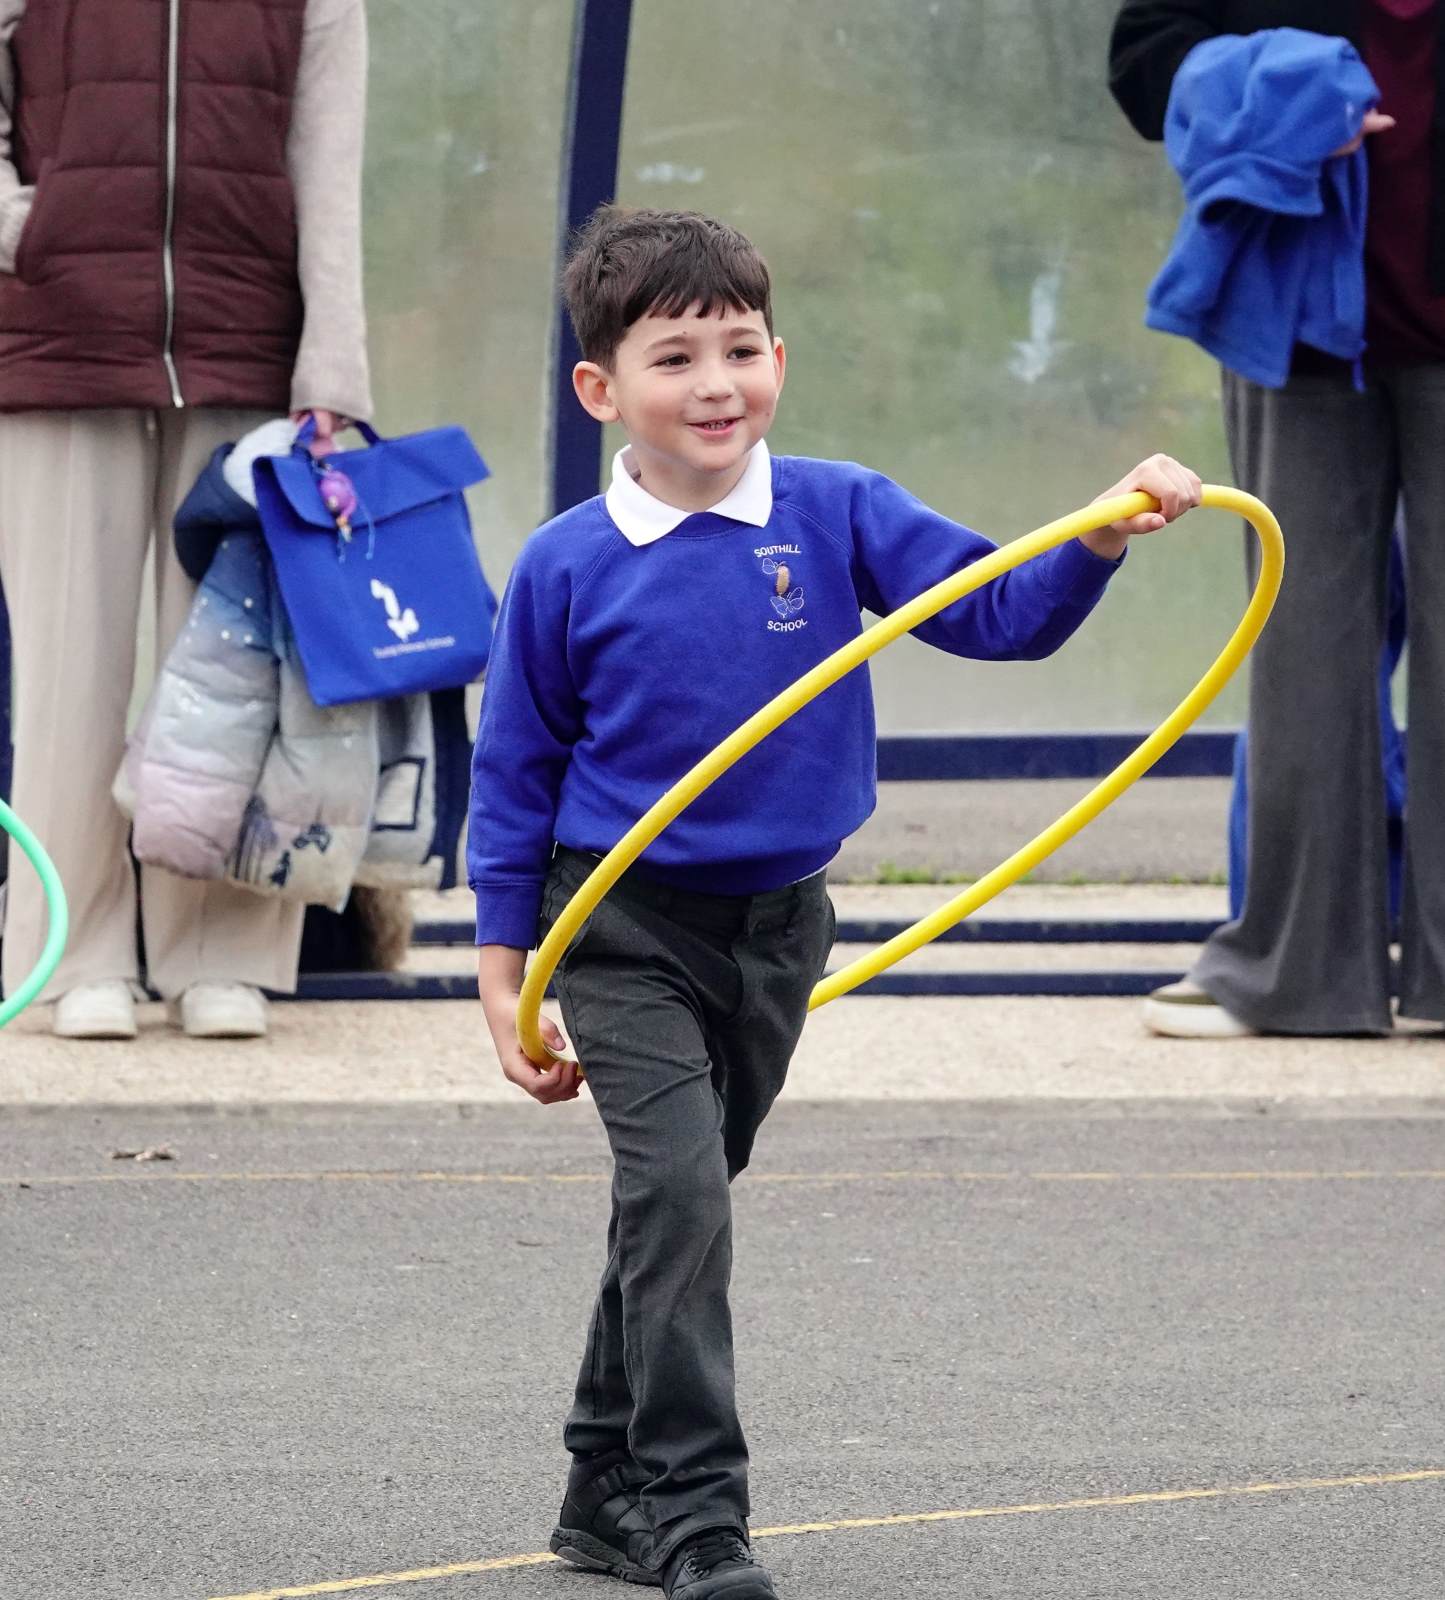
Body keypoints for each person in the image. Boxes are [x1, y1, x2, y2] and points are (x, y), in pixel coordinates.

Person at [468, 205, 1202, 1599]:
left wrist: (1103, 534)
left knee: (676, 1207)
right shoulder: (565, 562)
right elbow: (512, 775)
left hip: (780, 928)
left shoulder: (839, 509)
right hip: (617, 928)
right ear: (600, 389)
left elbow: (998, 614)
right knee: (679, 1196)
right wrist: (506, 974)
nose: (716, 384)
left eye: (740, 348)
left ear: (779, 360)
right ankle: (694, 1516)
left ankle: (597, 1481)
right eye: (675, 357)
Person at [0, 0, 372, 1039]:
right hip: (55, 334)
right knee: (66, 673)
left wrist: (332, 371)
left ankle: (221, 953)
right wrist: (28, 227)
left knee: (233, 672)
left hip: (244, 336)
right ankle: (71, 952)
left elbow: (329, 168)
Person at [1111, 1, 1445, 1038]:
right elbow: (1145, 55)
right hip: (1293, 317)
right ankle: (1294, 974)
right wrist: (1273, 106)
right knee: (1300, 648)